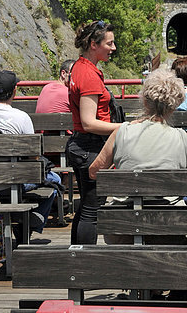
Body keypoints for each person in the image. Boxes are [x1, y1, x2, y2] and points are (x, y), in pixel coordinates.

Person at [0, 70, 60, 236]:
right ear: (14, 91)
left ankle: (23, 220)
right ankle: (30, 224)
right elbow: (33, 157)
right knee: (55, 180)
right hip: (10, 183)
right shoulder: (22, 118)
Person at [67, 20, 120, 244]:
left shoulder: (81, 67)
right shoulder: (88, 75)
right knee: (92, 210)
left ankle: (76, 254)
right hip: (90, 147)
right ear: (93, 44)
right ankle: (84, 261)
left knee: (86, 207)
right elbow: (89, 122)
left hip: (84, 146)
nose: (114, 48)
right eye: (109, 43)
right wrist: (125, 127)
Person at [89, 68, 187, 178]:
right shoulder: (184, 138)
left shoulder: (121, 132)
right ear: (174, 107)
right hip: (168, 194)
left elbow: (94, 172)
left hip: (128, 194)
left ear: (145, 102)